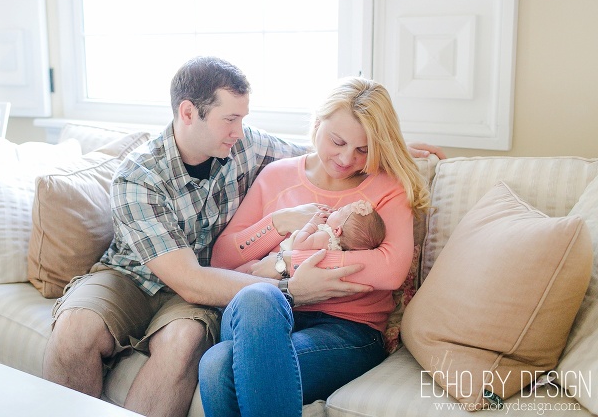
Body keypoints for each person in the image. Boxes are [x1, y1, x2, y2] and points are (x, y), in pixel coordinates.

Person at [42, 56, 444, 417]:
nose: (240, 130)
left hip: (285, 310)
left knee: (206, 356)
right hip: (147, 276)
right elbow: (200, 274)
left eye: (242, 118)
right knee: (78, 328)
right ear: (188, 113)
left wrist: (386, 150)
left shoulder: (248, 145)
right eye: (229, 119)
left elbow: (327, 160)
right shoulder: (138, 178)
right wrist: (287, 272)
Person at [199, 77, 431, 417]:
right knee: (259, 297)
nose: (346, 158)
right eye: (337, 141)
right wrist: (278, 223)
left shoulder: (388, 187)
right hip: (263, 317)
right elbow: (222, 258)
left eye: (363, 149)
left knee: (218, 366)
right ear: (317, 124)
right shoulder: (277, 176)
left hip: (348, 331)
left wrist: (285, 264)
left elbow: (391, 268)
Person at [281, 199, 386, 252]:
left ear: (337, 231)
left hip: (285, 255)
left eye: (339, 211)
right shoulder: (339, 246)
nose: (336, 209)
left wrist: (312, 224)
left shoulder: (325, 237)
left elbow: (298, 246)